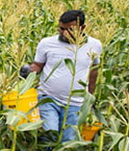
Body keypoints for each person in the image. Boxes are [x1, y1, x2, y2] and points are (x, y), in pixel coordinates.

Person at [20, 9, 102, 143]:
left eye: (70, 29)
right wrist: (28, 71)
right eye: (61, 29)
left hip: (76, 102)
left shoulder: (94, 45)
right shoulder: (47, 43)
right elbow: (38, 65)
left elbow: (93, 70)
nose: (64, 33)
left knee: (68, 141)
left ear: (82, 28)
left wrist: (90, 98)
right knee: (49, 134)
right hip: (48, 98)